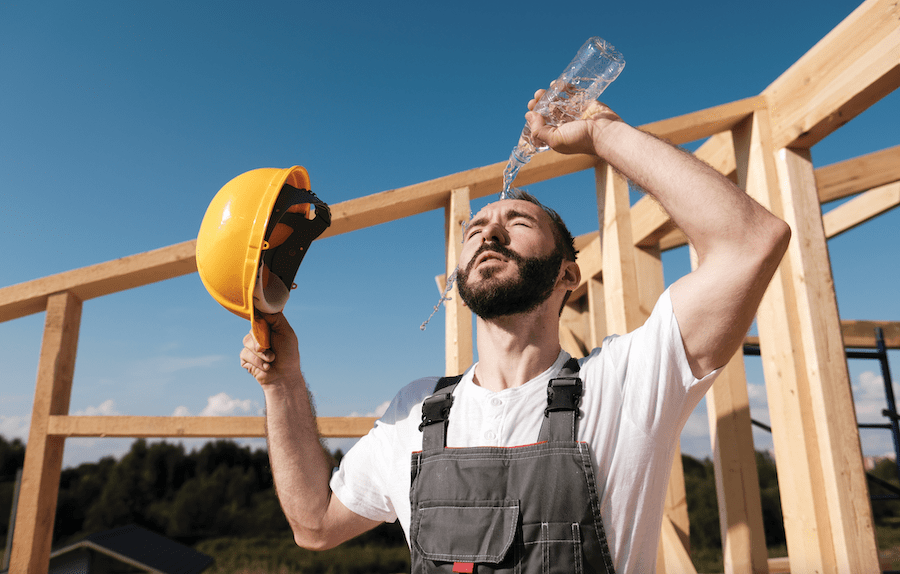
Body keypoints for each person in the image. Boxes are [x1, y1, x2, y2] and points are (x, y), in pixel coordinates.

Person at [239, 90, 791, 573]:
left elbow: (750, 241)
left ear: (566, 276)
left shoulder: (624, 383)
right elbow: (314, 525)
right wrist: (283, 384)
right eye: (475, 228)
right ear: (458, 274)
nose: (490, 231)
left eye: (518, 223)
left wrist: (603, 132)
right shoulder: (416, 411)